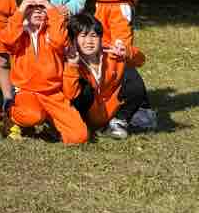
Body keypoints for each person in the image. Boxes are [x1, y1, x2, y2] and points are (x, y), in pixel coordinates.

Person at [1, 0, 86, 145]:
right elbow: (8, 40)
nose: (37, 10)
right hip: (27, 92)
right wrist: (20, 12)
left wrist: (51, 10)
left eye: (41, 6)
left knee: (79, 136)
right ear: (22, 8)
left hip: (54, 94)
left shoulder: (53, 28)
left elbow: (59, 41)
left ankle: (51, 121)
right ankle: (12, 115)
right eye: (31, 6)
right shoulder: (19, 31)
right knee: (32, 115)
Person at [64, 12, 150, 141]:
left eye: (94, 35)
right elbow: (70, 95)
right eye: (83, 36)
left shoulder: (111, 53)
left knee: (131, 74)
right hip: (86, 112)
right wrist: (72, 66)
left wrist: (127, 52)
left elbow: (141, 61)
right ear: (73, 40)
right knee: (82, 87)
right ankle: (82, 126)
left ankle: (118, 122)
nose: (89, 41)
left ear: (100, 38)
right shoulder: (70, 60)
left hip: (109, 108)